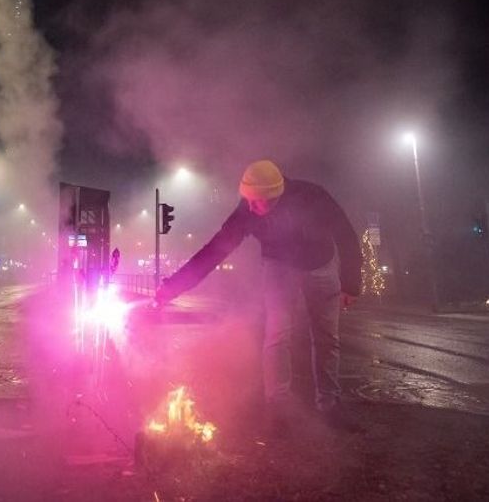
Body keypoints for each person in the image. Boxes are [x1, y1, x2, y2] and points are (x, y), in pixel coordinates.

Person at [153, 160, 362, 431]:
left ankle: (330, 405)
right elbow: (215, 250)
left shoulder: (313, 197)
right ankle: (278, 409)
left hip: (320, 266)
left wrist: (351, 283)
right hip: (279, 268)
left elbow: (345, 234)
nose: (250, 208)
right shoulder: (247, 209)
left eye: (257, 202)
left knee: (326, 338)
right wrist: (172, 287)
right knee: (277, 334)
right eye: (247, 200)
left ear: (275, 196)